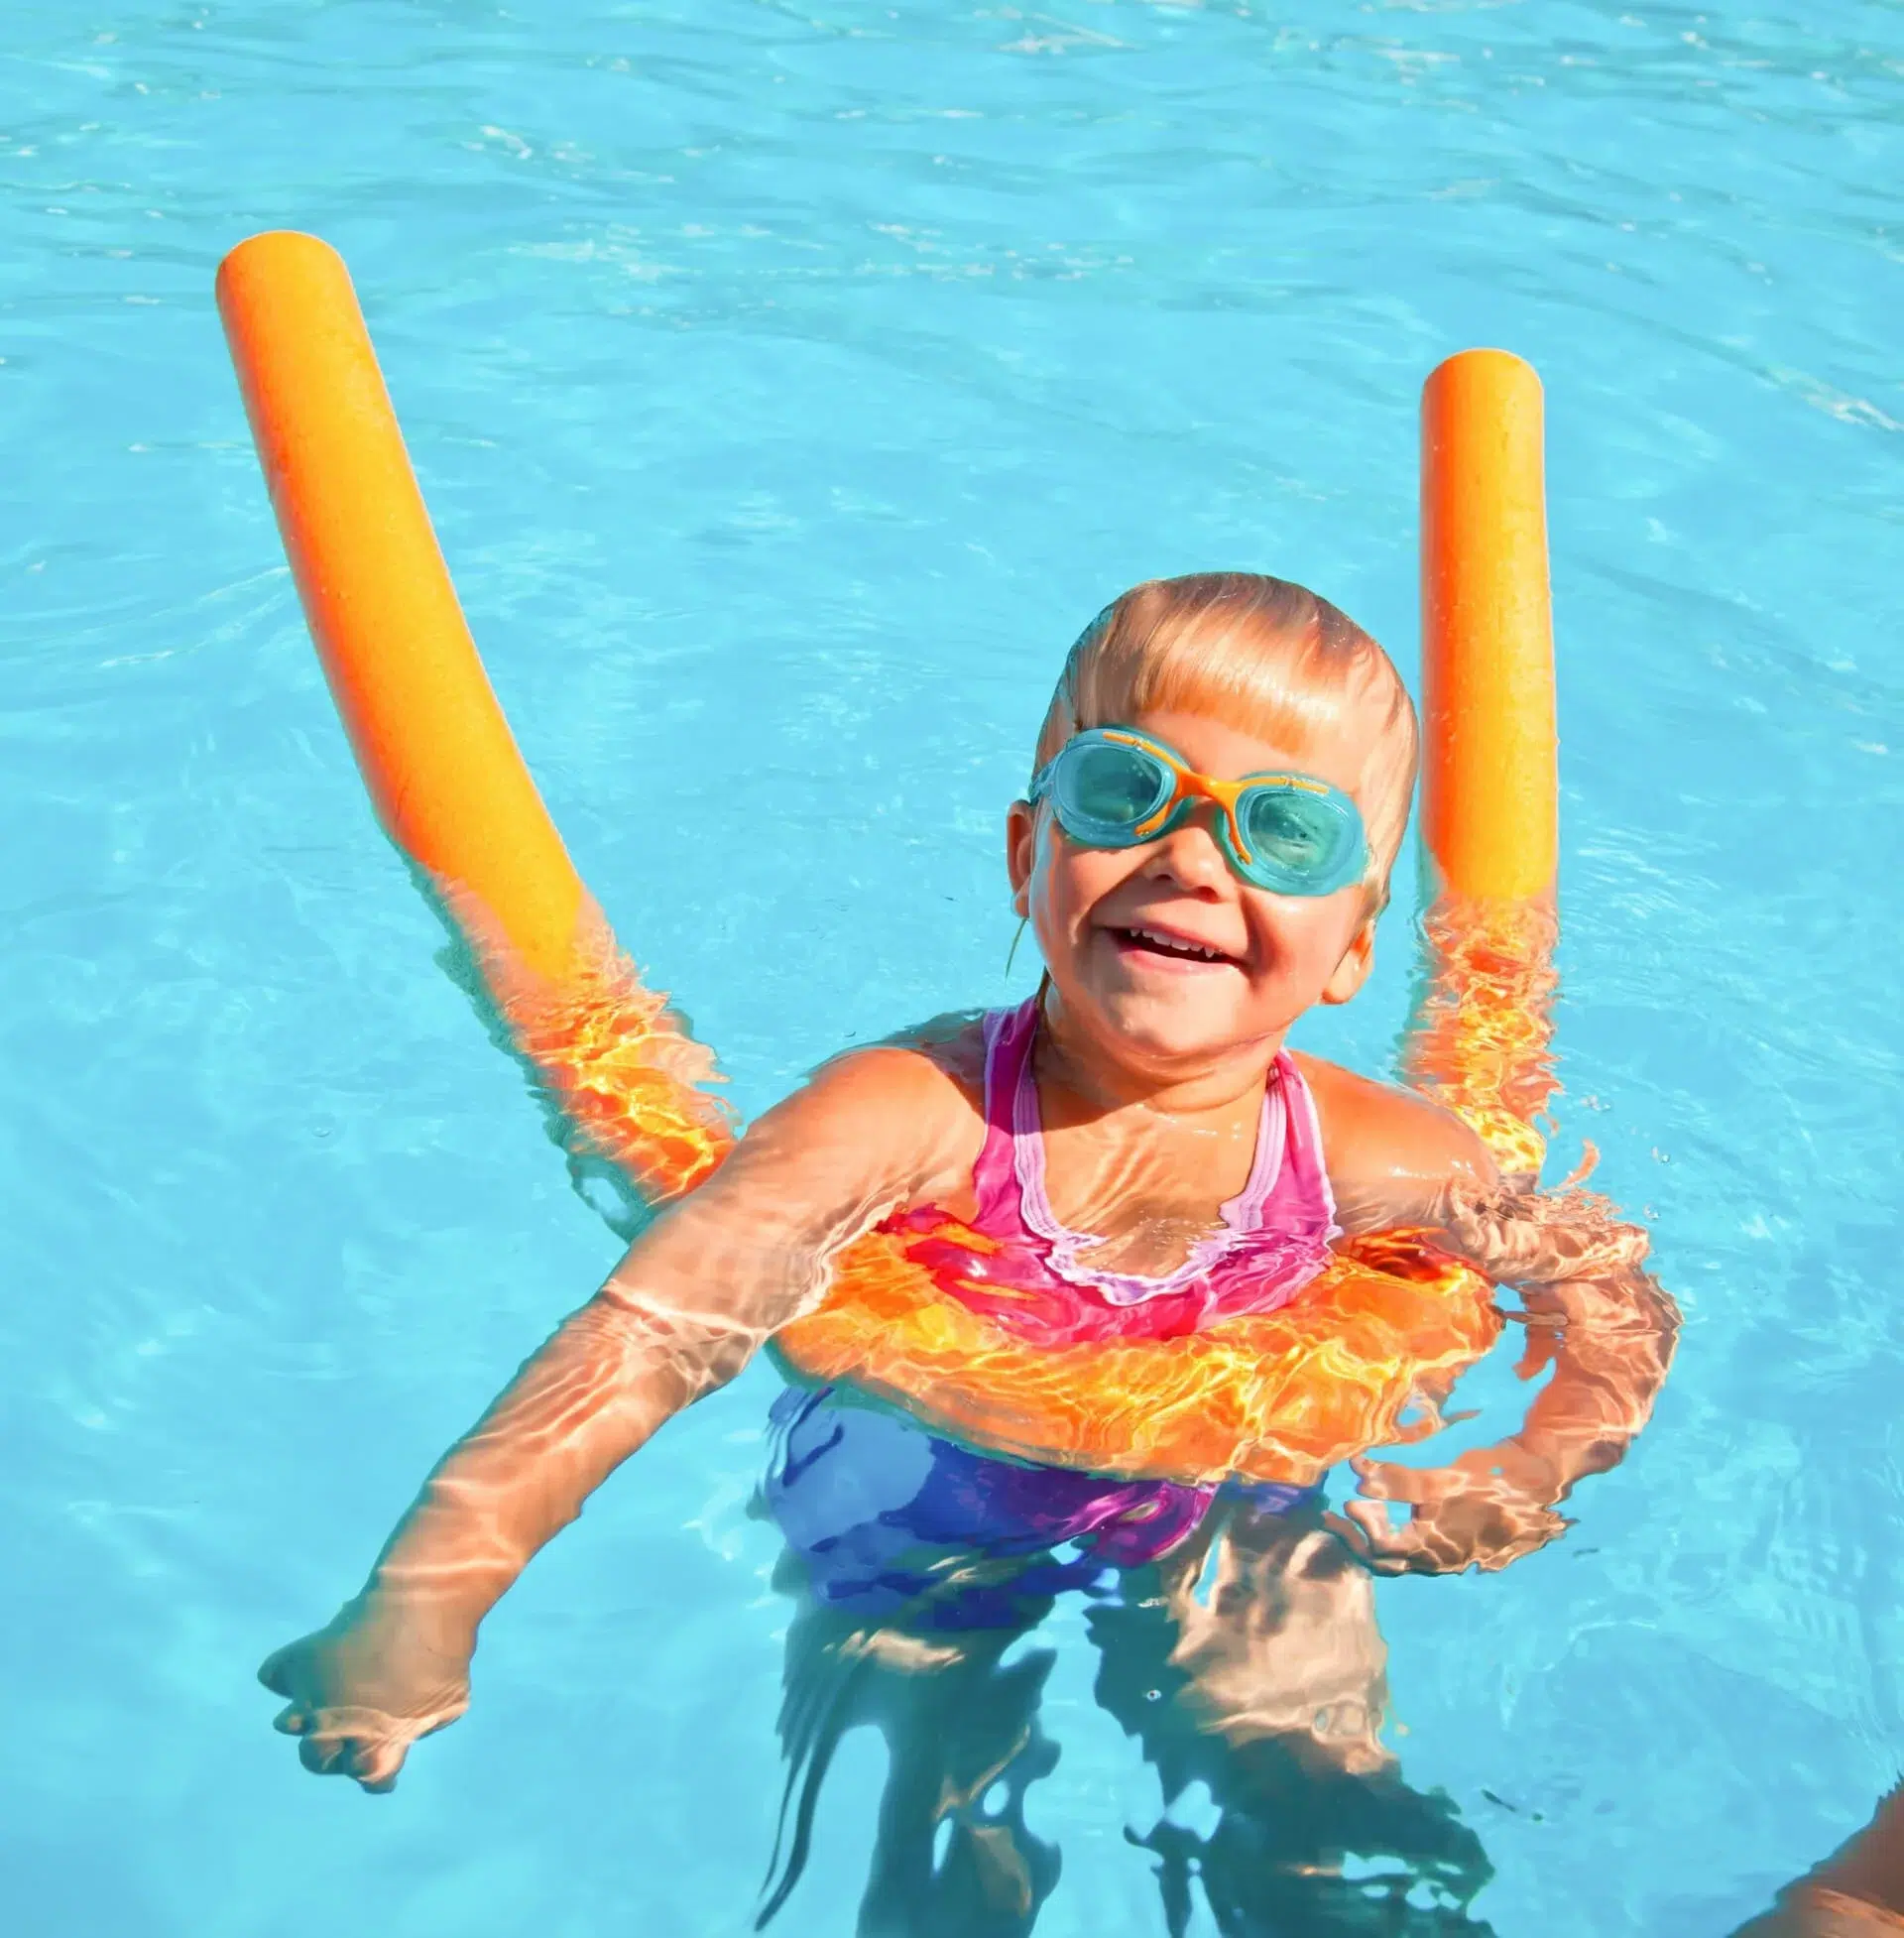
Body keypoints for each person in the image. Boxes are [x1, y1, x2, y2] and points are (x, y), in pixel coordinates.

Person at [260, 574, 1678, 1909]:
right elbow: (648, 1327)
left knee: (1323, 1825)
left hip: (1229, 1512)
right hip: (918, 1510)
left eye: (1282, 830)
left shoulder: (1383, 1155)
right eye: (1128, 791)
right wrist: (425, 1599)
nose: (1189, 858)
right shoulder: (912, 1111)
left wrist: (1530, 1463)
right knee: (934, 1841)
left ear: (1356, 946)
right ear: (1027, 853)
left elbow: (1604, 1292)